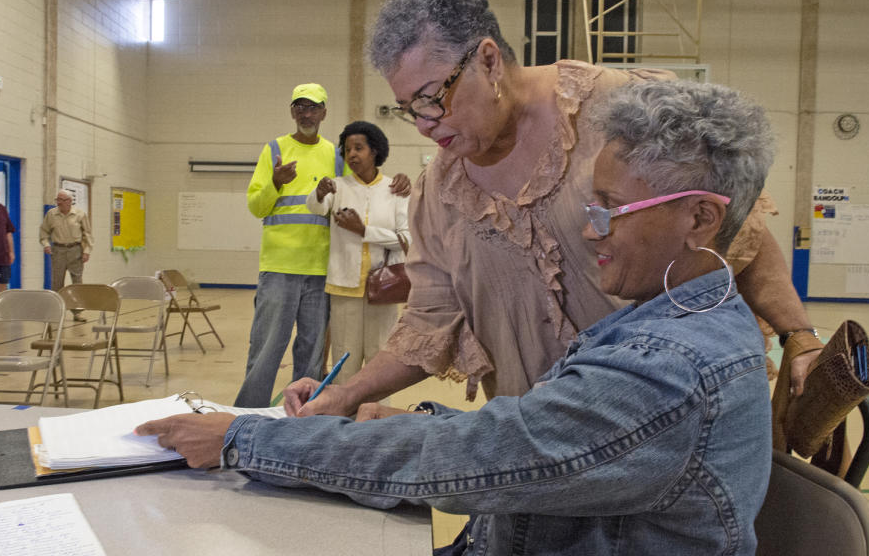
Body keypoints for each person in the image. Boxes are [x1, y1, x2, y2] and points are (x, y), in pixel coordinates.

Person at [137, 79, 775, 555]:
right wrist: (411, 418)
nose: (589, 227)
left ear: (699, 218)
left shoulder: (667, 369)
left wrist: (239, 438)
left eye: (610, 207)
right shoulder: (673, 324)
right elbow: (546, 444)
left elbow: (471, 460)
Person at [283, 0, 823, 419]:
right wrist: (347, 393)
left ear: (489, 61)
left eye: (431, 97)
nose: (423, 124)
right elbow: (427, 322)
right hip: (543, 448)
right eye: (409, 109)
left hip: (664, 419)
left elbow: (737, 230)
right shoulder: (439, 193)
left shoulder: (623, 113)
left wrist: (799, 335)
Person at [233, 85, 410, 408]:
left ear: (324, 113)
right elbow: (257, 207)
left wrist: (397, 181)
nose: (306, 113)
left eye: (313, 107)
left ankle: (307, 412)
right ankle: (248, 414)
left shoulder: (336, 154)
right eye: (300, 107)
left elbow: (359, 188)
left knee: (312, 355)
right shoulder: (274, 149)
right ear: (292, 112)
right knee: (266, 350)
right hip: (280, 266)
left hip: (321, 271)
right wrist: (275, 182)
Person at [306, 121, 411, 386]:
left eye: (359, 148)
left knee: (380, 363)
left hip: (385, 289)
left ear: (374, 151)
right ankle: (344, 423)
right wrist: (318, 192)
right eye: (347, 149)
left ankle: (376, 419)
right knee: (344, 363)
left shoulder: (395, 190)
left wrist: (363, 230)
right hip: (343, 289)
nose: (351, 154)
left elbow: (407, 240)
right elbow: (316, 207)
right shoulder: (337, 187)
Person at [39, 189, 92, 321]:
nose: (59, 203)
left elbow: (88, 234)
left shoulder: (80, 214)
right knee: (57, 283)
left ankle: (77, 312)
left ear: (69, 201)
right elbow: (44, 232)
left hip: (75, 250)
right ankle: (57, 311)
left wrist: (86, 251)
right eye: (58, 200)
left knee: (77, 282)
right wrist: (46, 244)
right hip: (58, 250)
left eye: (62, 200)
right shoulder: (51, 214)